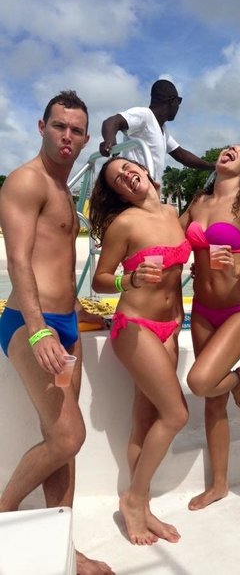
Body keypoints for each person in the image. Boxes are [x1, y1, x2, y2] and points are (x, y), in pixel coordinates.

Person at [0, 91, 113, 574]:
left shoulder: (64, 188)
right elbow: (18, 260)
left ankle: (65, 549)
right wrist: (38, 330)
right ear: (41, 126)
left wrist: (72, 316)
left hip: (65, 324)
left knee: (63, 443)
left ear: (86, 139)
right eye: (59, 126)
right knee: (68, 437)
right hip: (33, 323)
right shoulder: (26, 181)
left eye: (76, 130)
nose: (67, 136)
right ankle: (4, 511)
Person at [89, 157, 190, 545]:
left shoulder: (172, 214)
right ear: (118, 193)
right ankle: (133, 500)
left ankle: (142, 508)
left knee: (146, 418)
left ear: (145, 171)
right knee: (176, 414)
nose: (127, 176)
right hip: (135, 326)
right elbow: (100, 280)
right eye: (118, 179)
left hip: (170, 327)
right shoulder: (125, 224)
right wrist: (128, 280)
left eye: (129, 169)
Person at [180, 144, 240, 510]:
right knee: (213, 403)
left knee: (201, 382)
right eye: (229, 146)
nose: (231, 149)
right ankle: (219, 485)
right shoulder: (198, 201)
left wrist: (236, 268)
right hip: (202, 310)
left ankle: (236, 378)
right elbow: (170, 238)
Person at [99, 79, 214, 186]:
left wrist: (211, 166)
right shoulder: (145, 115)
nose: (178, 107)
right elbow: (112, 121)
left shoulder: (163, 130)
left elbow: (181, 155)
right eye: (179, 101)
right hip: (134, 187)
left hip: (149, 190)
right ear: (172, 101)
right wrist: (110, 141)